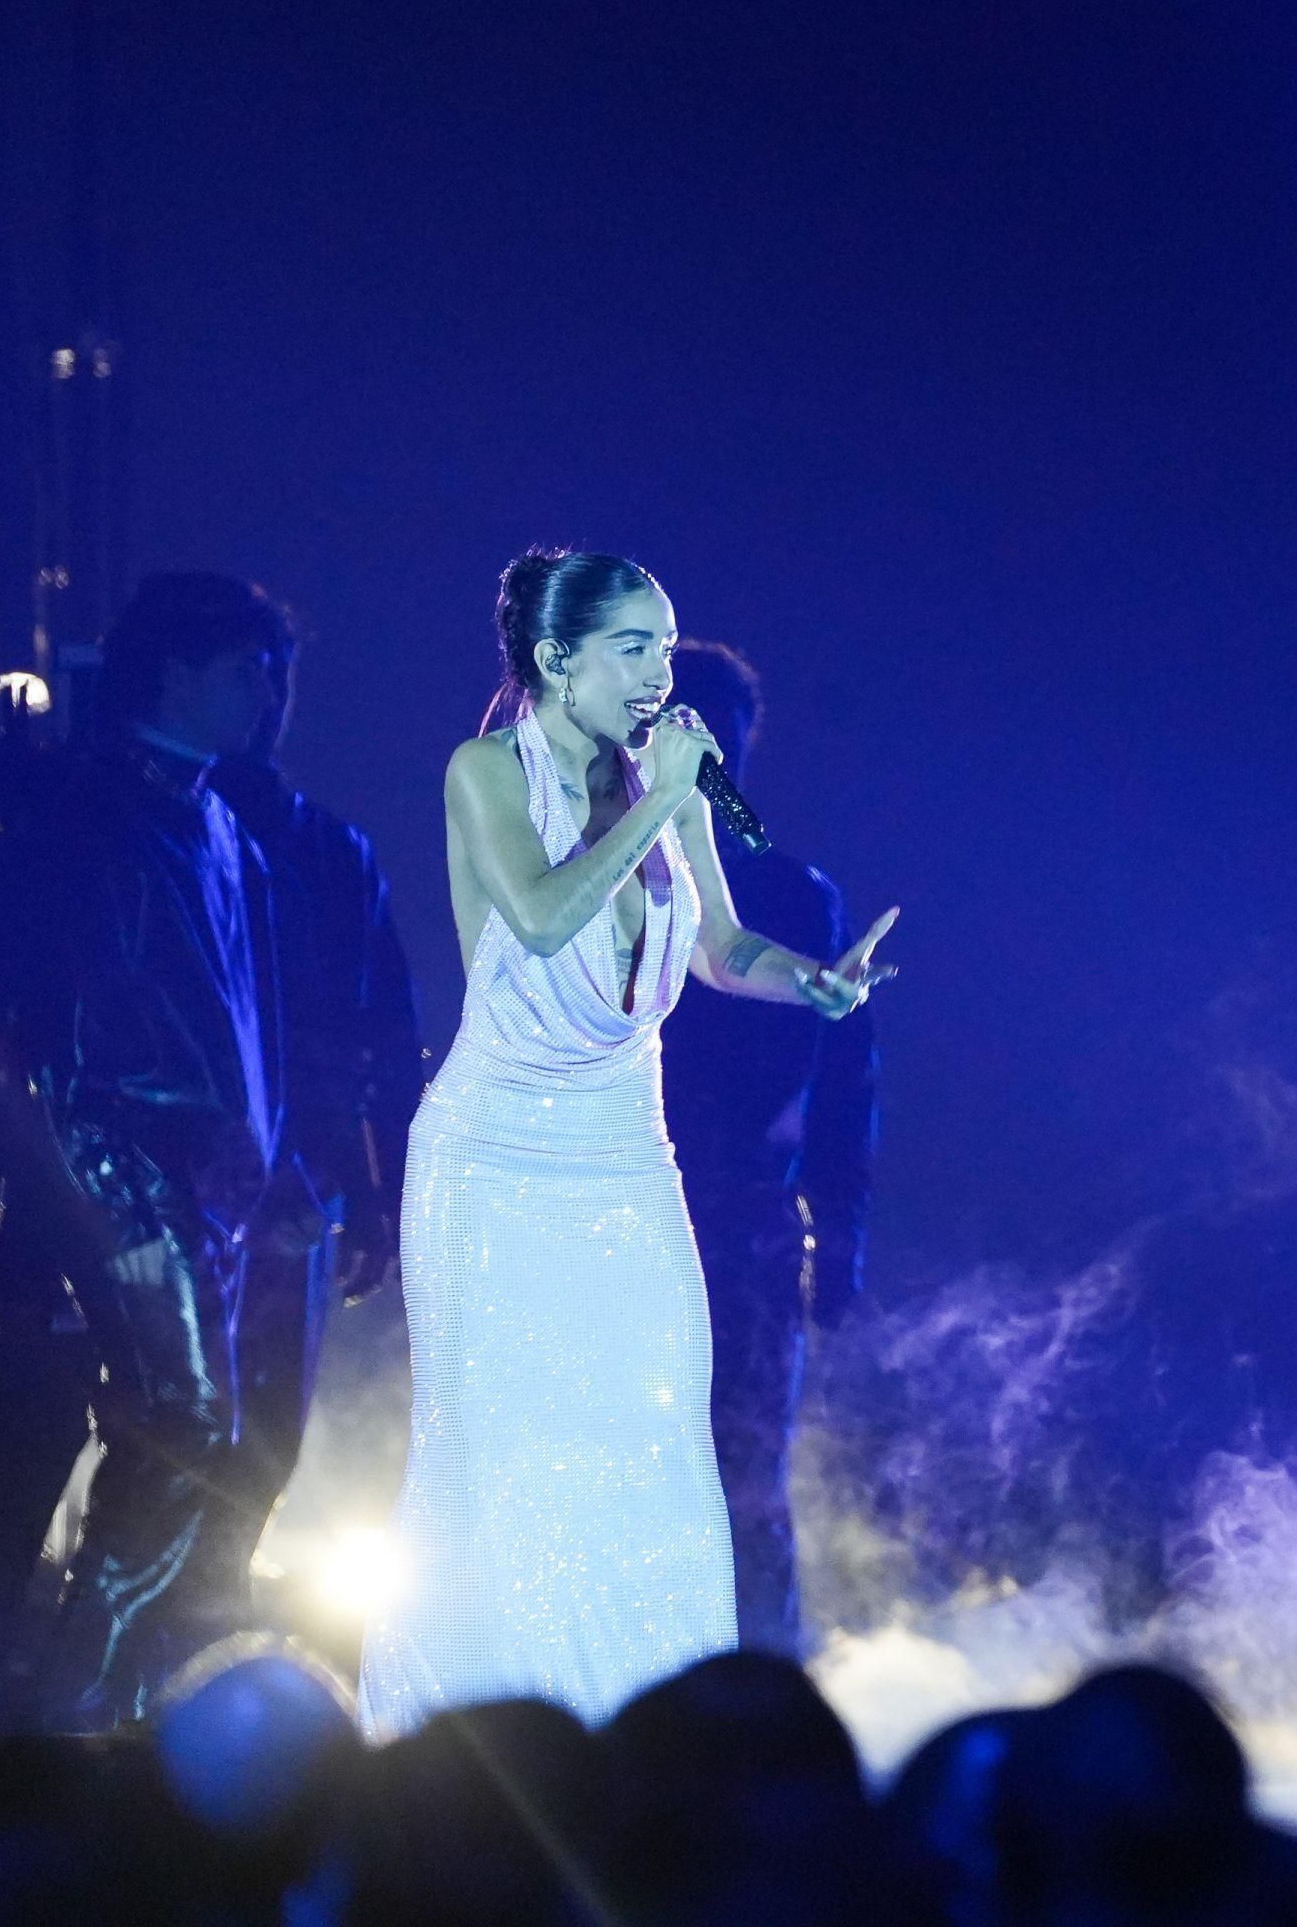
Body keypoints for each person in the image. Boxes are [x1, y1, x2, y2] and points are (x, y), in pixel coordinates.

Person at [355, 550, 896, 1735]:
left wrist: (814, 980)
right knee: (503, 1466)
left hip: (628, 1162)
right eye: (635, 647)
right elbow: (545, 916)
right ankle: (474, 1746)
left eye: (665, 645)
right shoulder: (486, 772)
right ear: (557, 659)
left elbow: (720, 948)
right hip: (494, 1159)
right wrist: (662, 798)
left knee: (652, 1451)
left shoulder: (669, 783)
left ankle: (649, 1737)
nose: (660, 673)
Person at [0, 573, 290, 1727]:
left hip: (185, 1190)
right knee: (138, 1427)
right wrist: (107, 1191)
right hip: (106, 1179)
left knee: (177, 1427)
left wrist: (263, 1168)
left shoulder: (220, 825)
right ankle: (57, 1695)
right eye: (243, 668)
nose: (267, 692)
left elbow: (243, 1024)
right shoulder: (88, 814)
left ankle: (89, 1691)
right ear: (175, 673)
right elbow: (33, 1021)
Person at [657, 640, 876, 1655]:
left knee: (745, 1471)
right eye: (704, 735)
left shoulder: (796, 893)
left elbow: (845, 1083)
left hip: (745, 1221)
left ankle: (755, 1685)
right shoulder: (599, 865)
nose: (721, 762)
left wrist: (841, 1237)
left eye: (733, 742)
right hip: (625, 1204)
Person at [205, 641, 426, 1611]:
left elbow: (384, 1035)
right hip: (169, 1178)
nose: (267, 700)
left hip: (295, 1188)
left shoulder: (331, 851)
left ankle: (195, 1614)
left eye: (277, 678)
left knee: (263, 1428)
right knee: (174, 1425)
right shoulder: (162, 832)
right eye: (246, 673)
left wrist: (380, 1193)